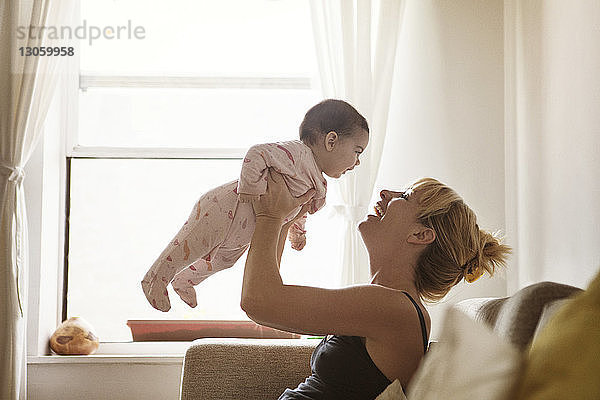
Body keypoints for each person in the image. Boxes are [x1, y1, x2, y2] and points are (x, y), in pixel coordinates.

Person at [241, 170, 511, 399]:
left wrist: (271, 217)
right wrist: (282, 217)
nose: (385, 193)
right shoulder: (391, 304)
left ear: (420, 235)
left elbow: (259, 301)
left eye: (404, 196)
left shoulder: (393, 309)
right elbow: (267, 294)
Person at [142, 99, 370, 312]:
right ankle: (154, 280)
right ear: (331, 141)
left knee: (223, 261)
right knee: (189, 246)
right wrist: (250, 189)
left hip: (245, 231)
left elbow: (297, 211)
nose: (358, 162)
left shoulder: (318, 183)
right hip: (227, 207)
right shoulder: (296, 154)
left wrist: (297, 232)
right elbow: (257, 153)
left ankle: (184, 280)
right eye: (357, 151)